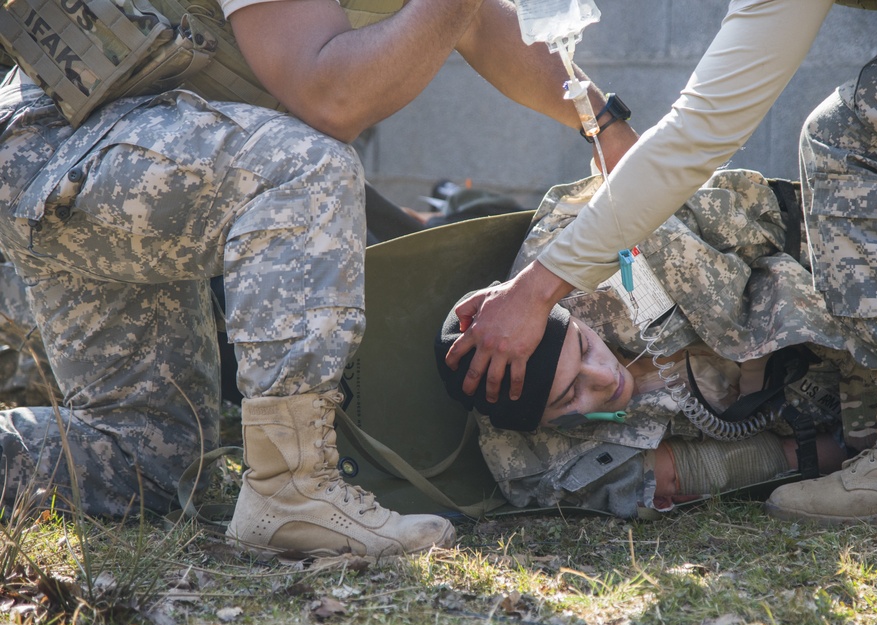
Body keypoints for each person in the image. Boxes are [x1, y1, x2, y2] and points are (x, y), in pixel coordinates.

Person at [0, 0, 639, 560]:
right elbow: (332, 96)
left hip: (116, 153)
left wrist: (601, 123)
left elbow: (472, 20)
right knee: (306, 169)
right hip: (64, 146)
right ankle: (292, 494)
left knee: (149, 456)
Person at [445, 1, 877, 527]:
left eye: (583, 358)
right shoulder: (532, 449)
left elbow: (729, 183)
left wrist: (606, 129)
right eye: (569, 402)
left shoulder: (604, 247)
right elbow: (654, 477)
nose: (599, 385)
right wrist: (829, 452)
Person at [436, 296, 852, 516]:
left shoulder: (578, 264)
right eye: (569, 395)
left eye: (583, 348)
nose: (604, 377)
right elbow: (714, 466)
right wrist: (859, 448)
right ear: (543, 424)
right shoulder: (541, 464)